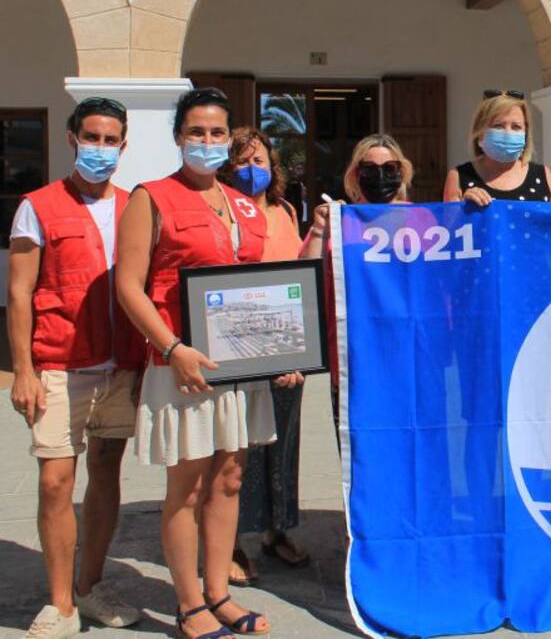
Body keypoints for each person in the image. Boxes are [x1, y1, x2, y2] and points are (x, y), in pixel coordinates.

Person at [115, 88, 274, 638]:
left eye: (217, 133)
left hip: (238, 366)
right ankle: (188, 605)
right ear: (179, 136)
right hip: (181, 364)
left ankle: (219, 592)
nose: (207, 142)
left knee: (229, 479)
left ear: (230, 140)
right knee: (185, 487)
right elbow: (128, 287)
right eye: (197, 132)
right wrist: (171, 349)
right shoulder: (151, 197)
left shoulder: (245, 204)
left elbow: (260, 287)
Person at [6, 97, 144, 639]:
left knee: (107, 476)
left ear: (124, 145)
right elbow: (19, 293)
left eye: (111, 140)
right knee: (56, 482)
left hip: (122, 367)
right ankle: (59, 604)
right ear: (72, 139)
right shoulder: (37, 206)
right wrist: (23, 369)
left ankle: (89, 587)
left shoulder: (137, 205)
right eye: (92, 138)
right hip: (60, 364)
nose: (101, 149)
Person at [218, 128, 308, 586]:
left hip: (288, 346)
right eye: (242, 161)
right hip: (239, 346)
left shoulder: (286, 210)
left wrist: (296, 351)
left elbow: (298, 273)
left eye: (261, 161)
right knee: (239, 451)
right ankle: (229, 542)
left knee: (283, 445)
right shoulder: (219, 211)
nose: (252, 170)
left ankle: (278, 531)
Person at [302, 134, 415, 437]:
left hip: (410, 365)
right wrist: (318, 230)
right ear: (355, 174)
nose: (381, 175)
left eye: (390, 167)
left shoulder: (424, 219)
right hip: (352, 364)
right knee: (356, 458)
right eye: (370, 168)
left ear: (402, 172)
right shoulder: (340, 221)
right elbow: (307, 279)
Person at [443, 89, 551, 205]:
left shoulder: (543, 174)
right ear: (479, 133)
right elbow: (448, 223)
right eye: (498, 126)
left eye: (516, 127)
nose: (507, 133)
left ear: (526, 133)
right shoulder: (459, 177)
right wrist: (463, 207)